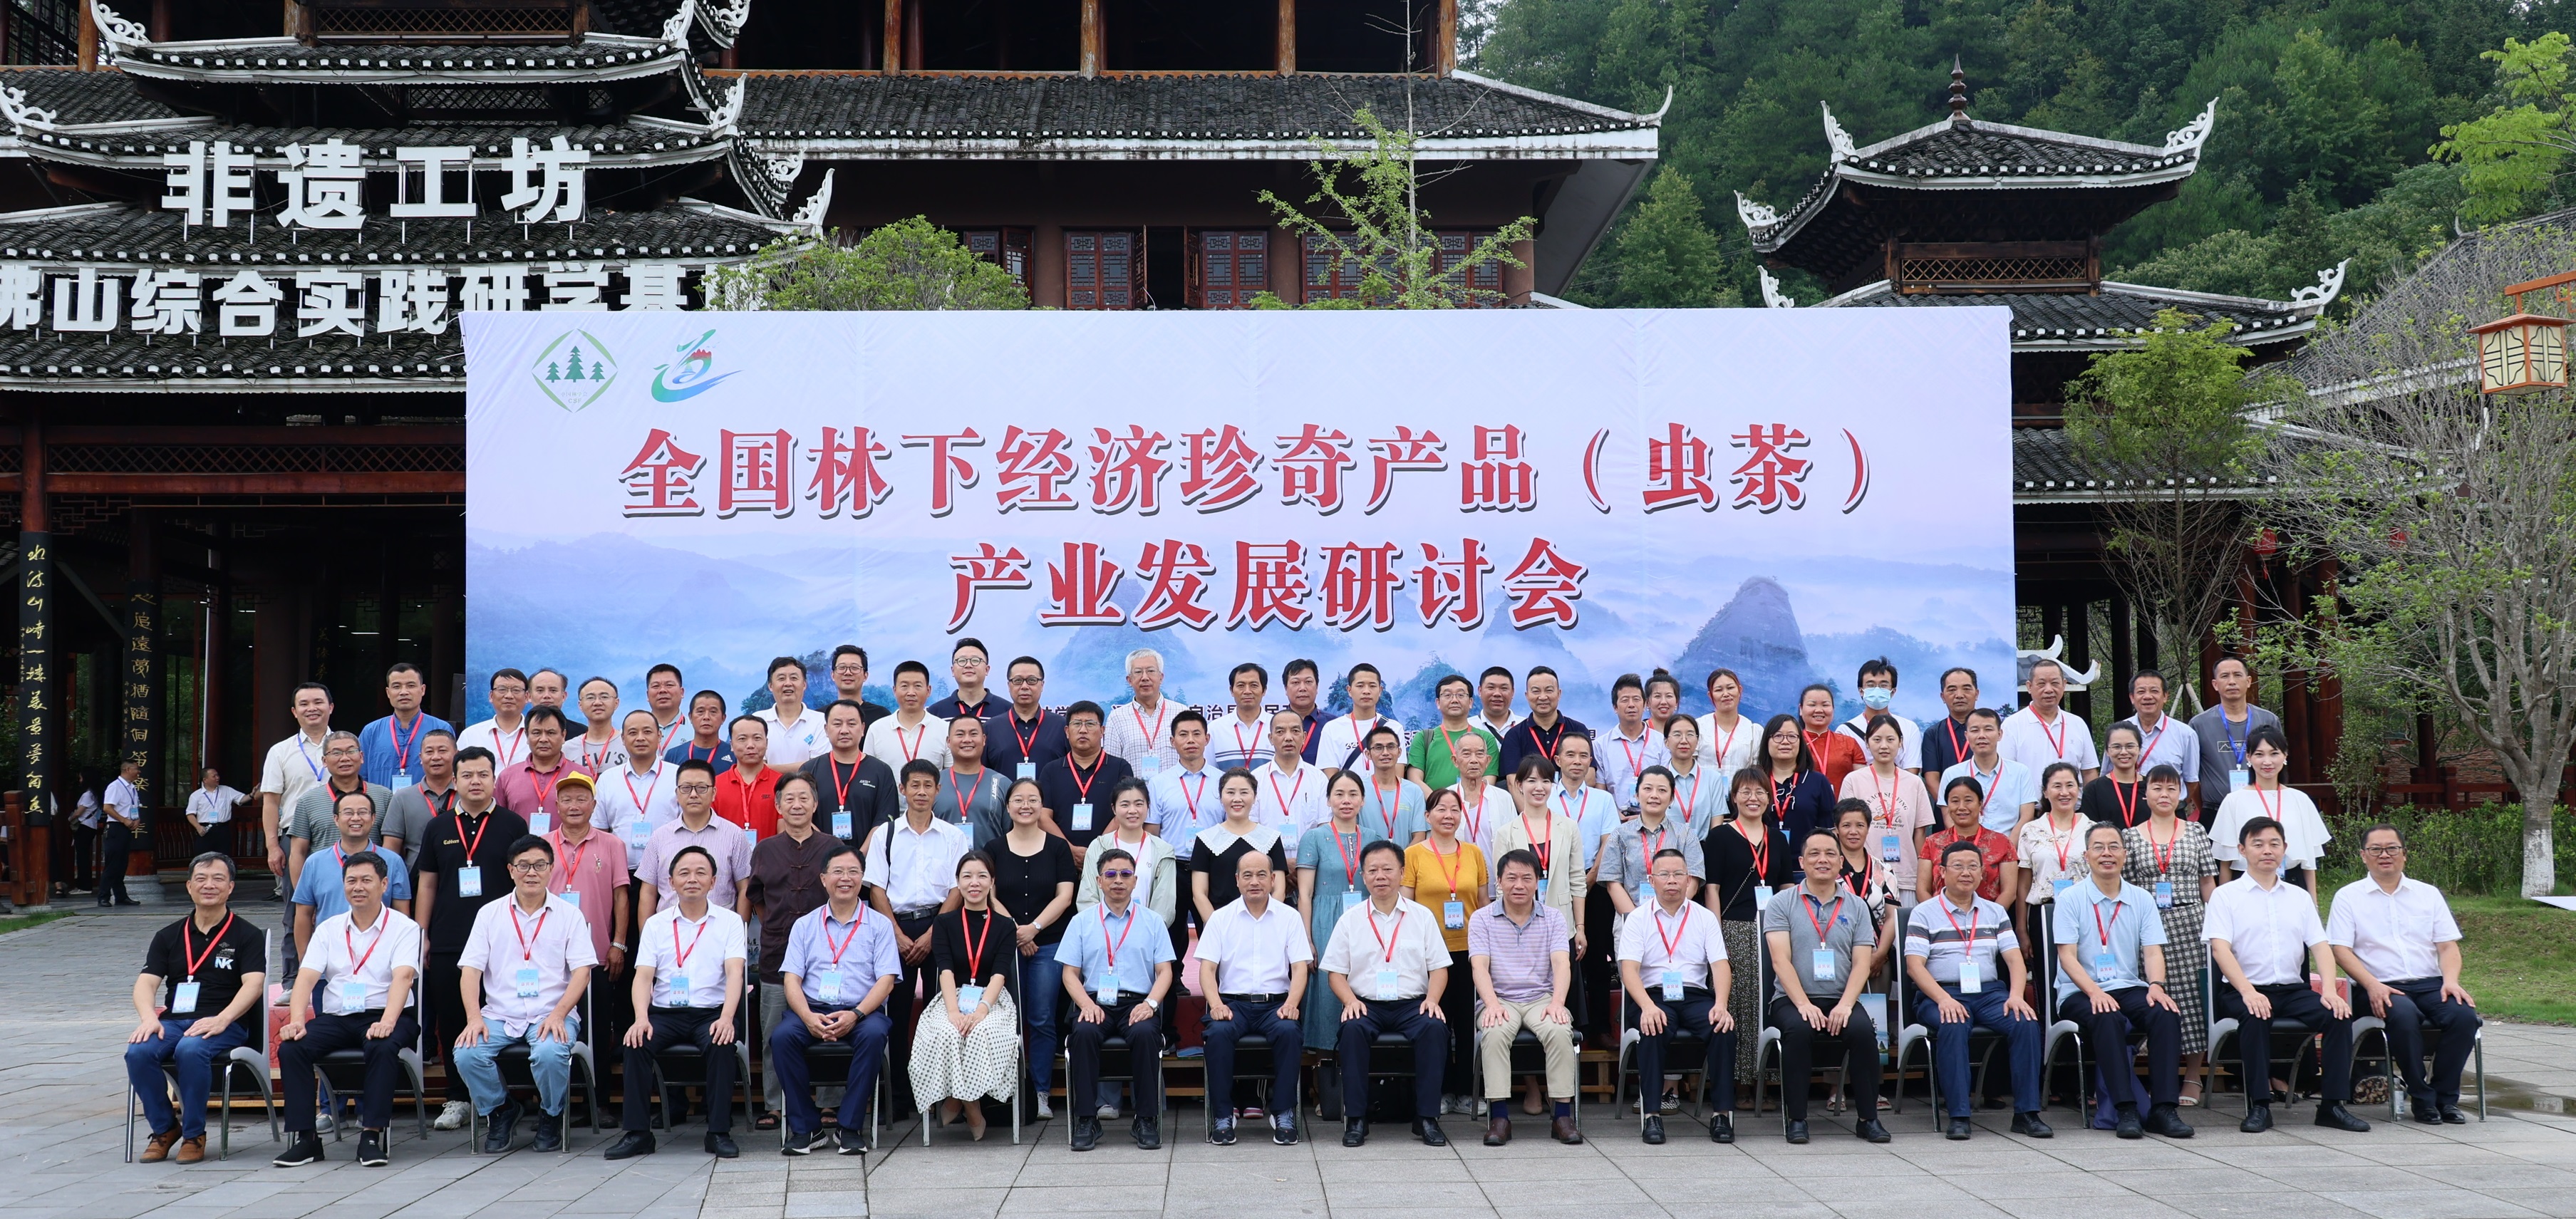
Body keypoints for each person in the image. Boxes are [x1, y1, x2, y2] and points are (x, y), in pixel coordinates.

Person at [2203, 816, 2369, 1133]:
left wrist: (2330, 992)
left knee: (2338, 1016)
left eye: (2274, 844)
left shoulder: (2299, 897)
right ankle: (2259, 1106)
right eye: (2258, 844)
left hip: (2293, 992)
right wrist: (2248, 992)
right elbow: (2220, 950)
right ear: (2242, 850)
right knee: (2256, 1015)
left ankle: (2332, 1105)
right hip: (2243, 991)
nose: (2267, 850)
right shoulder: (2226, 896)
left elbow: (2321, 946)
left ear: (2285, 849)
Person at [273, 851, 421, 1168]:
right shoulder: (329, 928)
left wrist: (388, 1021)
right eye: (351, 881)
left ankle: (371, 1136)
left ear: (384, 884)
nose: (358, 887)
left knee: (382, 1045)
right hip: (338, 1018)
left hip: (387, 1013)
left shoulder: (404, 927)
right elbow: (306, 977)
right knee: (292, 1048)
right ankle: (307, 1139)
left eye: (366, 880)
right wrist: (297, 1020)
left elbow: (404, 977)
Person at [413, 745, 532, 1132]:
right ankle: (458, 1097)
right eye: (467, 775)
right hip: (450, 938)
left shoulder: (513, 824)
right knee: (453, 1019)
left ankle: (509, 1096)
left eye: (483, 774)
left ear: (494, 779)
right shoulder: (439, 826)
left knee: (504, 1016)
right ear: (455, 780)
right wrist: (422, 934)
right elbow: (427, 884)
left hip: (505, 941)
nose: (475, 781)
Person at [450, 835, 595, 1153]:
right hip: (500, 1013)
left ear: (551, 869)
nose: (532, 872)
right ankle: (501, 1110)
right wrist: (473, 1018)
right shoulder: (489, 914)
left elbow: (582, 972)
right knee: (467, 1053)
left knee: (550, 1053)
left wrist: (559, 1014)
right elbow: (470, 971)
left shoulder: (569, 915)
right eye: (524, 866)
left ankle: (551, 1114)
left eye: (540, 865)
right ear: (511, 870)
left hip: (551, 1012)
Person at [2329, 824, 2481, 1125]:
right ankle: (2422, 1098)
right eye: (2376, 849)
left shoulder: (2427, 894)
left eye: (2392, 848)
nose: (2384, 855)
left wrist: (2451, 981)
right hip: (2377, 985)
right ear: (2363, 856)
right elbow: (2341, 950)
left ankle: (2445, 1098)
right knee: (2403, 1015)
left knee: (2464, 1016)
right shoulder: (2348, 897)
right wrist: (2372, 985)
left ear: (2404, 854)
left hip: (2430, 984)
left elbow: (2448, 946)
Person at [2054, 822, 2195, 1139]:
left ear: (2125, 854)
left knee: (2165, 1013)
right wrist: (2094, 992)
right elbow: (2067, 957)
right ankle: (2125, 1109)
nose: (2107, 854)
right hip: (2079, 991)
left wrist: (2157, 986)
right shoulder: (2071, 899)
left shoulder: (2141, 898)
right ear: (2087, 855)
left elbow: (2153, 951)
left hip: (2128, 986)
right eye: (2099, 847)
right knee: (2107, 1015)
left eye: (2114, 847)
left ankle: (2164, 1109)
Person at [608, 845, 750, 1160]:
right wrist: (641, 1018)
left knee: (722, 1042)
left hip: (711, 1013)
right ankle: (638, 1133)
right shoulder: (656, 924)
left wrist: (727, 1018)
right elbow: (643, 977)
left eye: (701, 873)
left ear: (714, 881)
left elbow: (735, 973)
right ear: (671, 882)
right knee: (635, 1043)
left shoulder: (730, 922)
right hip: (664, 1014)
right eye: (684, 873)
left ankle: (718, 1132)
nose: (692, 879)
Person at [1903, 841, 2049, 1140]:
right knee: (1954, 1023)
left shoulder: (1995, 912)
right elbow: (1915, 967)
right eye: (1958, 866)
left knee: (2025, 1022)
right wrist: (1943, 999)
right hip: (1941, 993)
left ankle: (2027, 1113)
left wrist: (2016, 996)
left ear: (1983, 873)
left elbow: (2014, 960)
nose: (1966, 873)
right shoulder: (1924, 913)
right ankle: (1959, 1115)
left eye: (1973, 867)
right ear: (1942, 872)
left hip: (1990, 994)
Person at [128, 853, 266, 1164]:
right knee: (138, 1051)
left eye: (218, 879)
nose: (209, 885)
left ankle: (194, 1134)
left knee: (190, 1049)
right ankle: (165, 1129)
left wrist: (222, 1019)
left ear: (230, 887)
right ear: (189, 886)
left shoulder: (247, 935)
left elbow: (253, 985)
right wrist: (149, 1018)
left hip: (224, 1022)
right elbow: (145, 984)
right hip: (174, 1021)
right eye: (201, 879)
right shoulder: (168, 935)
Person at [769, 843, 901, 1156]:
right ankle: (807, 1128)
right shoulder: (805, 925)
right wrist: (807, 1017)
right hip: (812, 1009)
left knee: (874, 1036)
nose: (846, 878)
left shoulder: (880, 925)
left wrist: (856, 1014)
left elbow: (886, 981)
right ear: (823, 879)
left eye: (853, 872)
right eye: (838, 871)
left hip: (862, 1011)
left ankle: (849, 1127)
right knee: (782, 1037)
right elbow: (791, 980)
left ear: (862, 878)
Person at [1323, 839, 1453, 1147]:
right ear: (1363, 876)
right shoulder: (1350, 919)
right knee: (1352, 1030)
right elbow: (1335, 973)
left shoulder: (1422, 916)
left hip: (1412, 1005)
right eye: (1373, 870)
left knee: (1435, 1029)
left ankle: (1427, 1118)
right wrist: (1349, 1001)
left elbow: (1439, 968)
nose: (1380, 876)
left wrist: (1432, 1000)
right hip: (1366, 1004)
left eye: (1387, 869)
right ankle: (1357, 1119)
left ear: (1402, 873)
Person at [1762, 830, 1888, 1143]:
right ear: (1801, 862)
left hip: (1841, 998)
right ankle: (1797, 1119)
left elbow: (1862, 963)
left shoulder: (1857, 906)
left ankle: (1868, 1119)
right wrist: (1804, 1004)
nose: (1823, 860)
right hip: (1792, 999)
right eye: (1814, 854)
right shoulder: (1781, 903)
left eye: (1830, 854)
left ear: (1841, 862)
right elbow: (1780, 961)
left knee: (1863, 1032)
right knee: (1798, 1030)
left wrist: (1846, 1005)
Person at [866, 759, 971, 1110]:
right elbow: (876, 888)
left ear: (938, 790)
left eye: (928, 786)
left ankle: (937, 1094)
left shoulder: (953, 836)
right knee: (895, 1012)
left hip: (940, 926)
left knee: (938, 1013)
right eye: (915, 785)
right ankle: (898, 1095)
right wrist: (896, 934)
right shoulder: (886, 834)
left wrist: (932, 934)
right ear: (903, 790)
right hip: (894, 928)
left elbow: (957, 889)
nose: (921, 792)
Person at [1057, 847, 1177, 1151]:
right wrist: (1086, 1004)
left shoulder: (1153, 922)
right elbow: (1070, 974)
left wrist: (1150, 1005)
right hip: (1094, 1001)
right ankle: (1087, 1119)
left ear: (1136, 880)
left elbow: (1165, 972)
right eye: (1110, 874)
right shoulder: (1082, 922)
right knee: (1083, 1033)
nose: (1118, 881)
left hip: (1138, 1003)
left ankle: (1146, 1118)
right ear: (1099, 881)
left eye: (1125, 874)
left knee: (1146, 1034)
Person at [1619, 848, 1737, 1144]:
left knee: (1723, 1028)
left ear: (1689, 880)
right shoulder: (1637, 918)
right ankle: (1652, 1115)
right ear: (1651, 880)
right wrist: (1647, 1006)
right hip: (1652, 995)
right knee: (1654, 1026)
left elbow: (1720, 965)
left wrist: (1721, 1005)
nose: (1671, 880)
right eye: (1664, 874)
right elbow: (1629, 970)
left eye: (1678, 874)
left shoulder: (1705, 917)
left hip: (1695, 995)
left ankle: (1721, 1114)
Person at [1392, 771, 1489, 1116]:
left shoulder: (1474, 853)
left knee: (1466, 1023)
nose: (1448, 815)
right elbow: (1405, 904)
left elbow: (1483, 904)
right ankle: (1443, 1090)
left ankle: (1466, 1090)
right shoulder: (1413, 855)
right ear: (1427, 815)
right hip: (1429, 954)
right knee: (1436, 1022)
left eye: (1454, 810)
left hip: (1468, 950)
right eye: (1441, 809)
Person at [2120, 765, 2218, 1105]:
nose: (2164, 795)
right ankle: (2156, 1075)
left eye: (2171, 789)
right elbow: (2127, 887)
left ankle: (2192, 1075)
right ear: (2145, 794)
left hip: (2192, 923)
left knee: (2193, 1000)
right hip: (2148, 927)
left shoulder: (2196, 832)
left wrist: (2217, 928)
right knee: (2155, 998)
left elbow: (2208, 882)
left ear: (2181, 795)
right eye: (2157, 788)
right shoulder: (2130, 836)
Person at [1199, 851, 1311, 1146]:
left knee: (1289, 1032)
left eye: (1261, 875)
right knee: (1217, 1034)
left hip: (1275, 1005)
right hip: (1232, 1004)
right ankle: (1223, 1116)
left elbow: (1300, 968)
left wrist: (1291, 1004)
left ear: (1273, 879)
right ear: (1237, 880)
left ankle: (1283, 1112)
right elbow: (1207, 970)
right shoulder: (1221, 918)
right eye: (1247, 875)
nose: (1254, 881)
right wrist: (1216, 1005)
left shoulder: (1289, 917)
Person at [1469, 848, 1579, 1145]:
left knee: (1560, 1030)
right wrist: (1491, 1004)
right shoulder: (1481, 919)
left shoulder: (1554, 918)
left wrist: (1557, 1003)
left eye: (1527, 878)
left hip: (1541, 998)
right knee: (1494, 1032)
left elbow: (1562, 964)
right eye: (1511, 878)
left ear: (1538, 882)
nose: (1519, 885)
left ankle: (1562, 1117)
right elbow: (1479, 967)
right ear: (1499, 882)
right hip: (1499, 998)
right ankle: (1500, 1118)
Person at [747, 772, 839, 1126]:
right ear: (778, 805)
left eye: (804, 798)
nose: (797, 805)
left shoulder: (832, 846)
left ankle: (829, 1102)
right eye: (789, 798)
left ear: (815, 805)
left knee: (829, 1027)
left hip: (827, 955)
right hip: (777, 953)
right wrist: (775, 924)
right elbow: (756, 897)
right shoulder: (765, 849)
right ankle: (775, 1104)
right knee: (774, 1032)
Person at [912, 851, 1021, 1140]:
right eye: (967, 876)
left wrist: (982, 1010)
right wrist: (953, 1012)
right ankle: (973, 1110)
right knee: (948, 1031)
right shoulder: (944, 923)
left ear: (992, 882)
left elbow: (1000, 974)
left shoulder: (1004, 925)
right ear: (958, 882)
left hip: (992, 1000)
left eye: (982, 876)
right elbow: (945, 970)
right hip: (952, 997)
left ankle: (954, 1101)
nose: (975, 883)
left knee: (980, 1031)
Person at [988, 779, 1078, 1118]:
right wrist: (1017, 932)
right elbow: (989, 895)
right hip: (1007, 945)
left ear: (1042, 806)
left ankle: (1040, 1092)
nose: (1025, 806)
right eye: (1018, 800)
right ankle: (1006, 1091)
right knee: (1006, 1019)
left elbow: (1065, 896)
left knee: (1041, 1018)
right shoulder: (994, 848)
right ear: (1008, 806)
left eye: (1033, 800)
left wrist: (1034, 929)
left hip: (1050, 943)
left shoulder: (1057, 848)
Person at [1297, 771, 1384, 1114]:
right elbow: (1305, 893)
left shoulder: (1374, 837)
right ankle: (1325, 1091)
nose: (1346, 801)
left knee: (1360, 990)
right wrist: (1307, 939)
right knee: (1326, 999)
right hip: (1324, 922)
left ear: (1362, 800)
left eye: (1353, 794)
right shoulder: (1314, 837)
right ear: (1329, 800)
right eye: (1339, 794)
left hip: (1365, 923)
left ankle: (1361, 1088)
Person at [1703, 767, 1790, 1096]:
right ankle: (1740, 1082)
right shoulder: (1720, 836)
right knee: (1739, 1002)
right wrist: (1716, 934)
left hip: (1773, 930)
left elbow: (1786, 886)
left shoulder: (1777, 838)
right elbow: (1712, 888)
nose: (1753, 799)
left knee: (1769, 999)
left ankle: (1767, 1077)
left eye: (1760, 792)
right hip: (1734, 928)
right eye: (1746, 792)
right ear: (1734, 798)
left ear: (1769, 798)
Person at [292, 789, 415, 955]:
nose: (356, 818)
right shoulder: (315, 863)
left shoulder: (393, 861)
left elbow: (402, 914)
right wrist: (305, 960)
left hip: (379, 957)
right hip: (329, 957)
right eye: (348, 813)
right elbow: (303, 915)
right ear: (336, 819)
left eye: (363, 812)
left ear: (373, 819)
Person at [2209, 725, 2332, 891]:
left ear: (2285, 756)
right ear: (2249, 757)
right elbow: (2226, 861)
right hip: (2246, 885)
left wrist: (2313, 902)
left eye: (2274, 753)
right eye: (2259, 754)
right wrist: (2225, 900)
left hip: (2292, 883)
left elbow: (2309, 863)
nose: (2267, 762)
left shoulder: (2300, 800)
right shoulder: (2234, 801)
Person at [1494, 756, 1587, 960]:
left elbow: (1577, 880)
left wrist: (1580, 927)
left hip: (1562, 923)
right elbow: (1501, 886)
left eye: (1545, 781)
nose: (1539, 787)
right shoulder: (1506, 833)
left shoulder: (1568, 827)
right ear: (1519, 785)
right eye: (1531, 780)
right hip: (1520, 927)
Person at [1843, 714, 1936, 916]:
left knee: (1904, 932)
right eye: (1877, 739)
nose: (1884, 746)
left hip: (1906, 877)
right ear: (1867, 743)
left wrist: (1922, 879)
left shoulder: (1914, 783)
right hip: (1865, 877)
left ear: (1901, 742)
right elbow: (1845, 831)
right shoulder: (1854, 780)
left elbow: (1920, 834)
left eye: (1890, 739)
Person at [637, 759, 753, 923]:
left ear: (714, 793)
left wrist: (740, 932)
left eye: (701, 788)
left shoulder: (734, 835)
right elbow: (648, 892)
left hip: (719, 930)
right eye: (686, 788)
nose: (693, 794)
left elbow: (744, 889)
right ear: (677, 794)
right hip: (670, 930)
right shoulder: (659, 837)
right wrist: (646, 936)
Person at [1597, 767, 1702, 943]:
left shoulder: (1686, 835)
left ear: (1672, 798)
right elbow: (1613, 883)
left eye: (1662, 790)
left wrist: (1670, 915)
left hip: (1676, 921)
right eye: (1648, 789)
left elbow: (1693, 881)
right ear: (1637, 795)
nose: (1654, 795)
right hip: (1630, 921)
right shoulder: (1620, 834)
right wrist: (1637, 920)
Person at [545, 773, 630, 985]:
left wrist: (618, 944)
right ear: (557, 806)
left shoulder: (613, 844)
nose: (574, 806)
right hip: (548, 949)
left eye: (581, 800)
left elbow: (620, 897)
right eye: (567, 800)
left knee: (596, 1005)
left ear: (593, 805)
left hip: (596, 950)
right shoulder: (541, 846)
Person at [285, 732, 390, 893]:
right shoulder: (308, 801)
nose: (345, 758)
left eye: (351, 751)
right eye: (336, 753)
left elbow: (391, 849)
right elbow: (298, 853)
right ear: (324, 761)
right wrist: (304, 897)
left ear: (361, 757)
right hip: (325, 889)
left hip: (372, 890)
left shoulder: (384, 796)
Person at [1194, 769, 1294, 925]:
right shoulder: (1206, 839)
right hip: (1220, 925)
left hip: (1262, 923)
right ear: (1221, 797)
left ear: (1254, 797)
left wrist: (1264, 922)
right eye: (1230, 792)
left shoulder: (1271, 838)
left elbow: (1279, 890)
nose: (1237, 799)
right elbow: (1199, 894)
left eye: (1244, 792)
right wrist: (1217, 927)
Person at [261, 682, 337, 882]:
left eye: (318, 702)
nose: (311, 708)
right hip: (294, 835)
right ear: (295, 712)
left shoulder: (348, 747)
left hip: (340, 834)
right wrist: (273, 846)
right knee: (297, 898)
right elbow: (271, 802)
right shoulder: (280, 751)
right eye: (304, 704)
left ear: (330, 707)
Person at [1038, 701, 1133, 861]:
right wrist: (1069, 850)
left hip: (1109, 859)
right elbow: (1043, 816)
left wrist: (1098, 849)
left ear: (1102, 731)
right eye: (1077, 724)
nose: (1083, 730)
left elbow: (1125, 812)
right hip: (1060, 858)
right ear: (1067, 731)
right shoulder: (1051, 770)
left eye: (1090, 724)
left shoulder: (1120, 768)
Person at [2190, 656, 2280, 822]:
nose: (2232, 681)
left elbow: (2279, 764)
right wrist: (2205, 808)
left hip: (2261, 809)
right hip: (2215, 811)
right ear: (2215, 684)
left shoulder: (2268, 720)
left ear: (2248, 681)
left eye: (2237, 675)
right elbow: (2192, 774)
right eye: (2225, 676)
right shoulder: (2199, 724)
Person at [1080, 778, 1177, 925]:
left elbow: (1165, 905)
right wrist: (1103, 929)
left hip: (1147, 932)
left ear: (1148, 807)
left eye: (1139, 804)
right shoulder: (1098, 846)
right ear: (1114, 809)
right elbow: (1087, 897)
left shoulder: (1163, 851)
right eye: (1125, 805)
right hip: (1103, 932)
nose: (1132, 811)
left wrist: (1146, 932)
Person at [806, 700, 899, 849]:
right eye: (837, 724)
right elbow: (803, 818)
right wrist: (828, 854)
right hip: (820, 857)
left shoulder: (881, 771)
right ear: (826, 729)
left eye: (851, 724)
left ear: (863, 729)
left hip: (869, 859)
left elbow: (884, 821)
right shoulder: (809, 770)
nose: (844, 730)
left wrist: (859, 857)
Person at [2017, 763, 2091, 947]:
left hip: (2085, 912)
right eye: (2057, 786)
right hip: (2043, 913)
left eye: (2070, 785)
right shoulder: (2031, 830)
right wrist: (2021, 929)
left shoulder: (2094, 830)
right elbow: (2024, 884)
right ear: (2045, 792)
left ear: (2078, 789)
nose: (2064, 792)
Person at [1921, 775, 2019, 907]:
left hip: (1988, 917)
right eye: (1955, 801)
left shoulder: (2002, 843)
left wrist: (1990, 916)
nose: (1961, 807)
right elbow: (1922, 890)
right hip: (1940, 917)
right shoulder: (1932, 842)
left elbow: (2009, 892)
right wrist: (1939, 915)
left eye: (1968, 800)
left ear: (1980, 804)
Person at [1938, 707, 2038, 836]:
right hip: (1966, 845)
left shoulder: (2020, 772)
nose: (1982, 736)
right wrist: (1967, 847)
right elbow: (1949, 819)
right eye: (1975, 730)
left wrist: (2007, 846)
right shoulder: (1952, 774)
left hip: (2010, 844)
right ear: (1967, 736)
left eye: (1988, 729)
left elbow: (2026, 817)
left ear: (2000, 734)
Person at [2003, 659, 2099, 784]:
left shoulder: (2077, 724)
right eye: (2041, 684)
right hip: (2031, 797)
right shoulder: (2012, 725)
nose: (2049, 690)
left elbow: (2089, 772)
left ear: (2064, 684)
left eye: (2055, 683)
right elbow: (2006, 774)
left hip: (2073, 797)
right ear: (2029, 687)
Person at [595, 711, 680, 851]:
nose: (640, 738)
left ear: (659, 736)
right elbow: (599, 830)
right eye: (633, 733)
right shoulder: (607, 779)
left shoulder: (678, 776)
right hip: (620, 864)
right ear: (623, 739)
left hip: (668, 863)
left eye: (647, 732)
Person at [2116, 672, 2200, 809]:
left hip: (2170, 810)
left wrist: (2179, 805)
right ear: (2132, 697)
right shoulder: (2118, 732)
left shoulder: (2185, 734)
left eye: (2154, 691)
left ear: (2165, 696)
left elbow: (2192, 781)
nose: (2147, 696)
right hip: (2126, 810)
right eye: (2141, 692)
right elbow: (2108, 774)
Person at [1407, 674, 1501, 794]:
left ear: (1471, 702)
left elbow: (1489, 780)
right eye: (1447, 695)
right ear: (1438, 702)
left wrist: (1470, 803)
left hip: (1476, 805)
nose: (1454, 700)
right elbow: (1415, 779)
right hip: (1433, 805)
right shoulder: (1424, 738)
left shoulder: (1486, 739)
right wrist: (1439, 802)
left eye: (1461, 695)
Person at [1757, 713, 1836, 850]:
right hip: (1761, 860)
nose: (1785, 742)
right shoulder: (1756, 780)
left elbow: (1829, 831)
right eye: (1778, 736)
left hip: (1806, 861)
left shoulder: (1818, 782)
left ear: (1801, 742)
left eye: (1792, 736)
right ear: (1766, 741)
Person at [1596, 673, 1672, 813]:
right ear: (1615, 707)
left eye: (1636, 699)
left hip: (1653, 816)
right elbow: (1601, 790)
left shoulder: (1661, 742)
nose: (1631, 705)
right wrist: (1614, 815)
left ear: (1645, 705)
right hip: (1616, 818)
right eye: (1625, 700)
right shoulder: (1601, 745)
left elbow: (1666, 784)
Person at [380, 732, 456, 870]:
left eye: (442, 751)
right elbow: (391, 850)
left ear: (456, 754)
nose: (436, 757)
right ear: (421, 758)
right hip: (416, 877)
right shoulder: (403, 798)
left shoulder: (467, 796)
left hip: (457, 876)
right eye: (429, 752)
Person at [493, 705, 577, 831]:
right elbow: (498, 822)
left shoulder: (580, 775)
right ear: (527, 736)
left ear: (563, 735)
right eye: (537, 733)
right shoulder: (507, 777)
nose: (543, 739)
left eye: (551, 733)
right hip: (518, 844)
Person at [1101, 648, 1183, 776]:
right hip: (1134, 789)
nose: (1145, 677)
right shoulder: (1117, 717)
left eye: (1151, 671)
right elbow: (1111, 767)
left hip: (1175, 788)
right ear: (1129, 680)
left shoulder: (1181, 713)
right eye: (1138, 672)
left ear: (1161, 677)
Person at [1313, 662, 1405, 774]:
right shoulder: (1332, 729)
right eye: (1360, 686)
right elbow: (1331, 778)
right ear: (1349, 690)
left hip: (1383, 787)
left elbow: (1397, 778)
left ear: (1380, 690)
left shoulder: (1394, 728)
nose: (1366, 691)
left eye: (1372, 686)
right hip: (1346, 787)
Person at [1149, 710, 1224, 847]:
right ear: (1173, 741)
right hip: (1172, 859)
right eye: (1183, 735)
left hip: (1214, 858)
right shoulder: (1158, 783)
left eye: (1197, 734)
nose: (1190, 740)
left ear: (1207, 739)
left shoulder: (1223, 781)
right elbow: (1152, 833)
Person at [984, 656, 1068, 779]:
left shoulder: (1061, 726)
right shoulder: (991, 728)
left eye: (1032, 680)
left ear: (1042, 685)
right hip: (1003, 792)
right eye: (1018, 681)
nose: (1024, 686)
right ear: (1009, 685)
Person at [933, 716, 1011, 849]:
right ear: (949, 741)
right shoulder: (934, 783)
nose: (967, 740)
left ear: (984, 739)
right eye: (960, 734)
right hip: (943, 861)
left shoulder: (1002, 783)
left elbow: (1012, 835)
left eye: (974, 734)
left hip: (990, 861)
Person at [1836, 659, 1922, 774]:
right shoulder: (1845, 731)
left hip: (1901, 786)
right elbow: (1844, 773)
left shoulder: (1909, 728)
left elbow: (1911, 772)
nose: (1877, 690)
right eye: (1870, 685)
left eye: (1883, 685)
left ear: (1893, 692)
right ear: (1861, 691)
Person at [1499, 666, 1589, 775]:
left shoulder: (1578, 730)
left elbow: (1589, 775)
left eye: (1549, 690)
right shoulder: (1514, 735)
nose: (1542, 697)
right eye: (1536, 691)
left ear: (1559, 693)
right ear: (1527, 696)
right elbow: (1513, 780)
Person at [1251, 709, 1328, 833]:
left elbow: (1324, 826)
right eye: (1280, 732)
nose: (1288, 738)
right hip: (1266, 846)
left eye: (1295, 731)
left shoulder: (1319, 779)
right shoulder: (1255, 779)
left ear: (1304, 737)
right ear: (1271, 738)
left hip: (1308, 846)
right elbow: (1251, 826)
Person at [864, 660, 951, 771]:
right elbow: (869, 773)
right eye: (904, 686)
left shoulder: (945, 729)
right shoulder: (876, 729)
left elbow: (951, 775)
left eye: (918, 686)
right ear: (894, 690)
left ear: (928, 691)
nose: (911, 693)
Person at [714, 715, 782, 841]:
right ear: (731, 745)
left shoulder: (781, 784)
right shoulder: (715, 785)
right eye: (742, 739)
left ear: (766, 743)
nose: (750, 745)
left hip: (770, 853)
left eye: (757, 738)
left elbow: (785, 834)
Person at [1358, 725, 1428, 846]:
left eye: (1391, 747)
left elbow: (1419, 836)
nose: (1385, 753)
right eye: (1378, 748)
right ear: (1368, 754)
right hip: (1366, 857)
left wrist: (1400, 857)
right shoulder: (1358, 789)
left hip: (1405, 858)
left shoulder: (1414, 791)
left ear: (1400, 752)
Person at [1448, 732, 1514, 858]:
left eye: (1479, 754)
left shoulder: (1503, 798)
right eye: (1466, 754)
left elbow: (1513, 842)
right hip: (1457, 870)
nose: (1474, 760)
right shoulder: (1446, 798)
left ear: (1487, 761)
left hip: (1497, 870)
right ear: (1455, 761)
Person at [756, 655, 829, 769]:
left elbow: (818, 767)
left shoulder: (821, 721)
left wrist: (767, 769)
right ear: (770, 685)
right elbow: (754, 766)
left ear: (804, 684)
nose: (788, 683)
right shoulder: (757, 720)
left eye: (794, 678)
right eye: (781, 679)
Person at [1661, 717, 1725, 840]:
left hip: (1704, 847)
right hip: (1666, 847)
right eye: (1677, 735)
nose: (1684, 741)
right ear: (1666, 742)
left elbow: (1717, 824)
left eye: (1690, 735)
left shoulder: (1713, 779)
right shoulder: (1657, 779)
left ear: (1697, 741)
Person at [457, 669, 530, 772]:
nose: (509, 696)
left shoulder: (537, 735)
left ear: (527, 697)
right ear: (491, 696)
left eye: (516, 690)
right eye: (502, 689)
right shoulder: (470, 735)